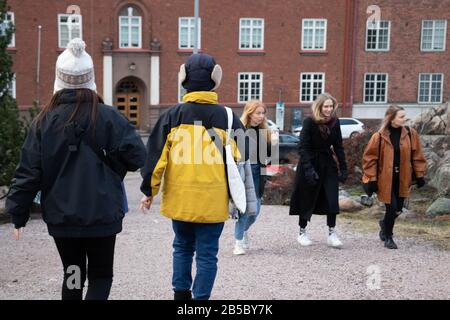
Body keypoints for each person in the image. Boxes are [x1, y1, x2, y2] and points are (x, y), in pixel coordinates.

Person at [5, 38, 147, 300]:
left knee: (72, 275)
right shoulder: (109, 117)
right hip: (103, 215)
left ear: (59, 80)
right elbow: (138, 157)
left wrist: (18, 214)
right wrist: (114, 166)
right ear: (90, 79)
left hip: (63, 219)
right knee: (101, 276)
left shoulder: (43, 122)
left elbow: (28, 172)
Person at [139, 53, 246, 300]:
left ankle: (181, 297)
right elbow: (245, 153)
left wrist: (149, 192)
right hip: (213, 201)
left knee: (182, 247)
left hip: (181, 200)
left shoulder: (171, 116)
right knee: (207, 254)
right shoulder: (228, 117)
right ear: (215, 79)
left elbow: (155, 160)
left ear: (183, 79)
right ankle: (200, 301)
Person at [362, 105, 427, 249]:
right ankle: (389, 237)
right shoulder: (379, 136)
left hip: (403, 178)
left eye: (405, 116)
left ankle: (384, 224)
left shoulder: (411, 133)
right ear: (391, 118)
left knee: (398, 210)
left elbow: (417, 156)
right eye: (401, 117)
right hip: (385, 179)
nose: (405, 119)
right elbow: (369, 159)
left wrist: (420, 175)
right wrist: (372, 179)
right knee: (392, 208)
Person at [289, 93, 347, 248]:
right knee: (307, 198)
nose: (329, 109)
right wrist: (308, 169)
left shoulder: (335, 123)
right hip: (310, 163)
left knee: (332, 198)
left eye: (331, 106)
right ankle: (302, 232)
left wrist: (344, 167)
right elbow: (302, 147)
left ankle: (332, 233)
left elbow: (339, 147)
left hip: (328, 163)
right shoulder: (309, 122)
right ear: (319, 107)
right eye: (326, 106)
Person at [233, 100, 275, 255]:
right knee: (245, 211)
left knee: (255, 213)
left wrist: (272, 150)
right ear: (249, 112)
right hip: (244, 173)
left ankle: (243, 232)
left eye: (263, 113)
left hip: (258, 173)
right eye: (258, 113)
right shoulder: (240, 130)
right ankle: (238, 243)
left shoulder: (266, 132)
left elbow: (270, 157)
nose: (261, 116)